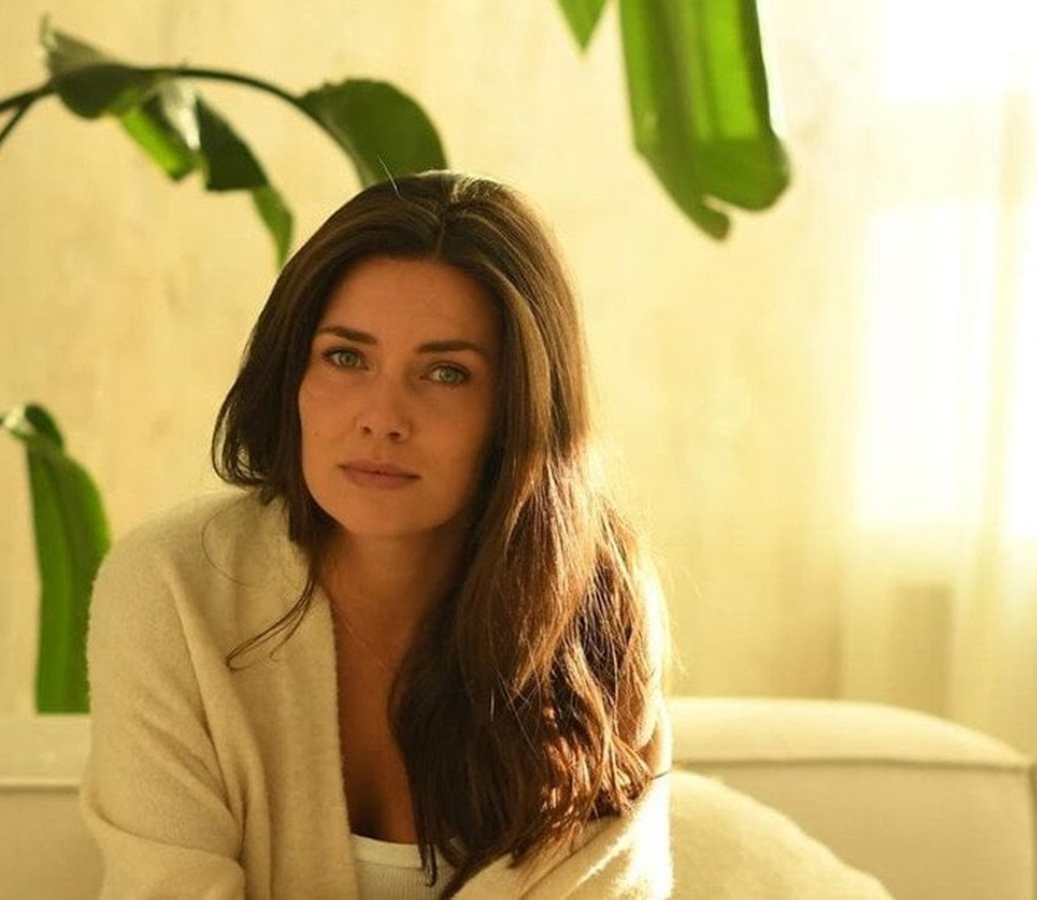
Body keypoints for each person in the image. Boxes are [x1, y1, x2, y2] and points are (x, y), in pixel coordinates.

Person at [81, 171, 672, 899]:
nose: (383, 417)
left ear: (516, 408)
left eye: (447, 373)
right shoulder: (171, 588)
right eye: (346, 357)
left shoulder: (593, 594)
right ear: (292, 375)